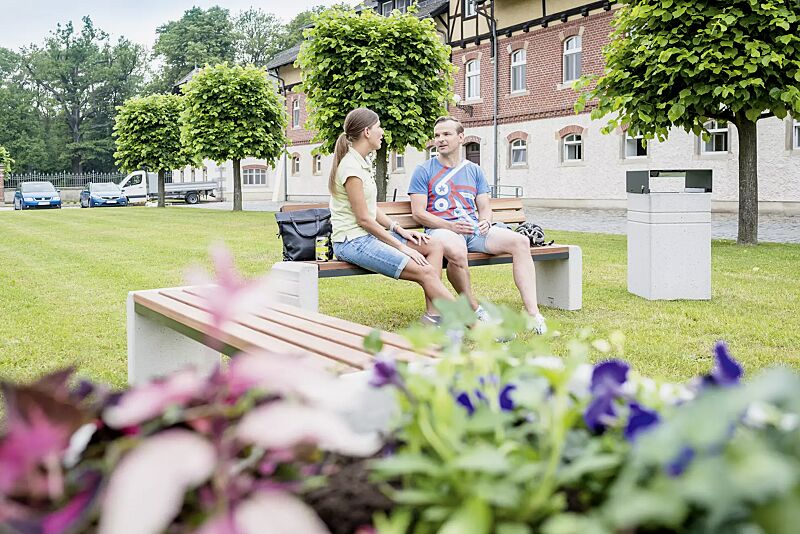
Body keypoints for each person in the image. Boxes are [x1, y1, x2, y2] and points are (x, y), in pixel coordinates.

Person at [408, 116, 547, 334]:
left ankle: (533, 314)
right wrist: (450, 226)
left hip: (473, 231)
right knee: (457, 249)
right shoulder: (423, 170)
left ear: (461, 137)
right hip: (441, 230)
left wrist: (485, 221)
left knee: (520, 241)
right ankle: (475, 307)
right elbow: (418, 213)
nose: (440, 140)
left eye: (446, 134)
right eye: (437, 135)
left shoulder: (474, 170)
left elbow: (484, 206)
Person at [329, 108, 454, 324]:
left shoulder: (361, 161)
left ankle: (433, 317)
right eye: (379, 127)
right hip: (353, 242)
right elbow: (364, 220)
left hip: (367, 237)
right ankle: (477, 325)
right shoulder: (351, 168)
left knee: (433, 245)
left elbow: (371, 208)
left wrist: (399, 230)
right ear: (367, 132)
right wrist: (402, 247)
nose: (382, 132)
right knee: (425, 272)